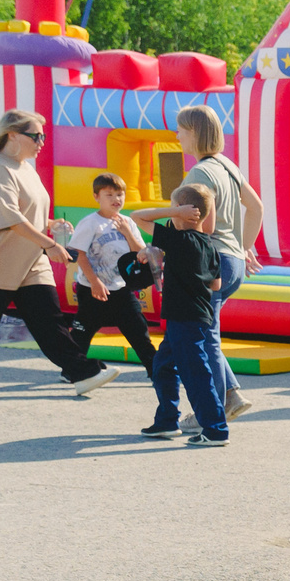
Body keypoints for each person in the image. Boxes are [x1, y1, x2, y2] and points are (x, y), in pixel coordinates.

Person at [0, 109, 117, 397]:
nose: (41, 142)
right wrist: (49, 243)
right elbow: (9, 216)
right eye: (36, 136)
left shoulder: (25, 167)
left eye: (43, 136)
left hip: (29, 259)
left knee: (49, 319)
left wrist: (52, 225)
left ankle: (82, 372)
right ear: (13, 135)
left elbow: (29, 213)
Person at [127, 104, 264, 420]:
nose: (177, 136)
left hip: (207, 262)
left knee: (206, 337)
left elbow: (188, 225)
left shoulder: (199, 173)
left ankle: (214, 408)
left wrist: (158, 248)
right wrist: (245, 247)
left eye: (181, 131)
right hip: (232, 262)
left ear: (195, 133)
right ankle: (229, 394)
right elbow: (255, 207)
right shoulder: (227, 166)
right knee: (203, 331)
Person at [139, 185, 230, 446]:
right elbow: (216, 285)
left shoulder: (178, 240)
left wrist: (173, 210)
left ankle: (215, 430)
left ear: (183, 211)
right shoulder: (209, 246)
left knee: (195, 374)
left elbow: (139, 216)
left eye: (175, 206)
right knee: (163, 365)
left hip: (184, 318)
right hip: (196, 317)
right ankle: (167, 420)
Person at [67, 173, 156, 375]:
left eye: (119, 194)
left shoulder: (127, 222)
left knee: (138, 330)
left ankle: (156, 368)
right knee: (83, 332)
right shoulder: (90, 223)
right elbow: (78, 253)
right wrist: (95, 281)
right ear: (97, 197)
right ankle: (73, 369)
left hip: (121, 288)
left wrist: (127, 232)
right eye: (109, 195)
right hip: (92, 288)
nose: (116, 199)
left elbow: (140, 253)